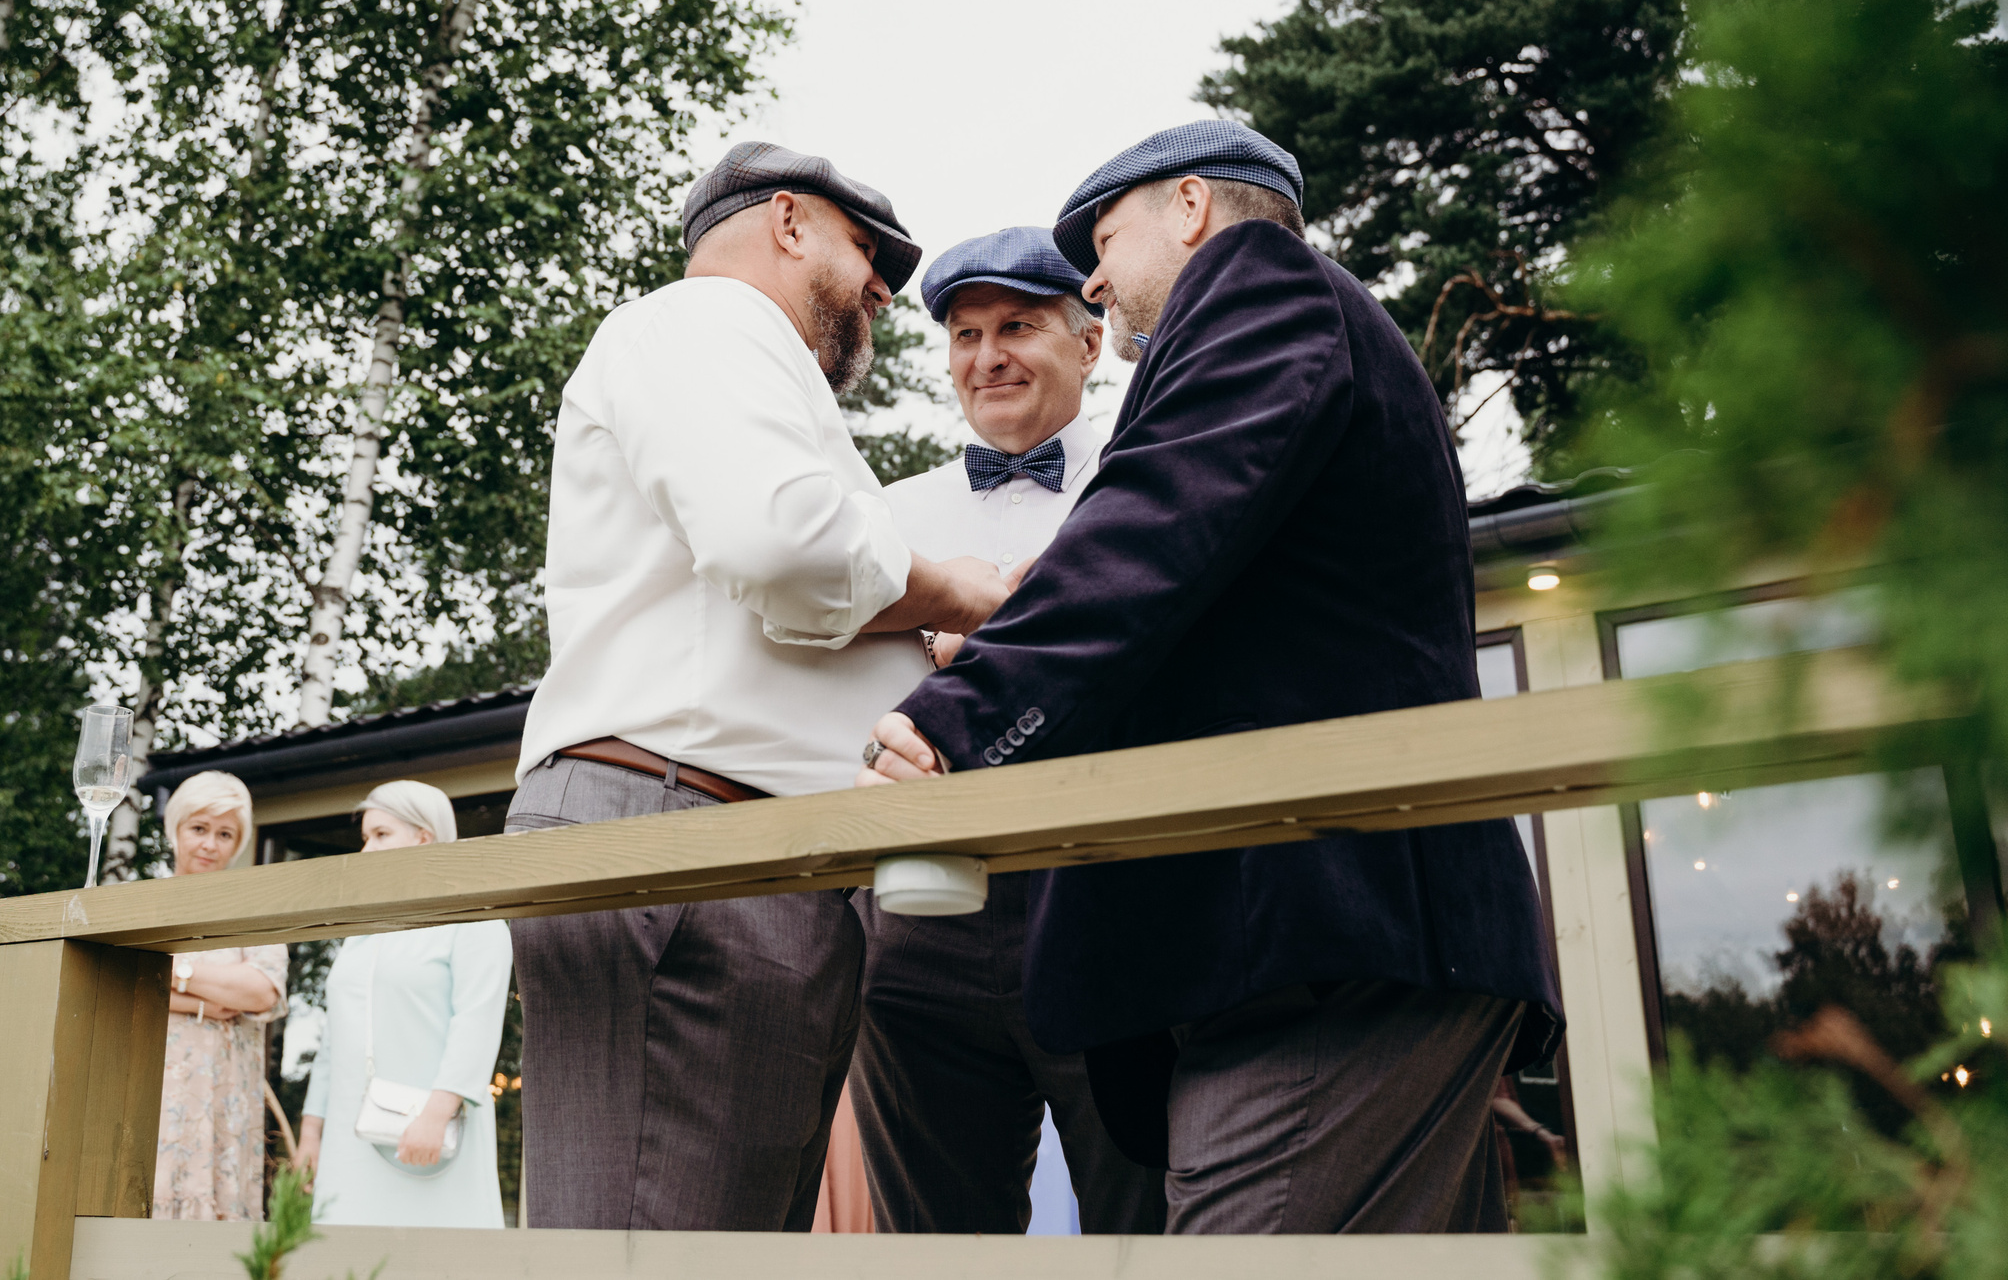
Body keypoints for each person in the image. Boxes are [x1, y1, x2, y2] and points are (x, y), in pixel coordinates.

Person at [859, 119, 1559, 1234]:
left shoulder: (1261, 286)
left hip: (1328, 937)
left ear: (1190, 208)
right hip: (1355, 936)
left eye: (1101, 240)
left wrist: (957, 716)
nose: (1091, 277)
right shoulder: (1305, 326)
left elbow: (1152, 525)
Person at [509, 141, 1013, 1231]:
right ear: (786, 222)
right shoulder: (708, 321)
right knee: (650, 1255)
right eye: (865, 258)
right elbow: (781, 544)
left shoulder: (725, 363)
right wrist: (950, 595)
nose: (879, 294)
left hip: (723, 851)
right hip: (686, 846)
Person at [845, 228, 1164, 1236]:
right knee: (931, 1241)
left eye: (1018, 325)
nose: (987, 357)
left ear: (1086, 339)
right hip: (918, 927)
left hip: (1109, 903)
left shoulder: (1152, 476)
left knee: (1144, 1223)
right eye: (966, 334)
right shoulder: (883, 517)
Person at [300, 781, 513, 1228]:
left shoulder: (474, 918)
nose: (366, 851)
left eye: (381, 835)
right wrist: (311, 1132)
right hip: (347, 1139)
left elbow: (477, 1021)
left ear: (424, 837)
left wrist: (436, 1116)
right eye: (365, 839)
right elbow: (335, 1038)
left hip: (430, 1133)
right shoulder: (362, 931)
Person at [151, 771, 290, 1221]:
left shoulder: (256, 906)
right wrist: (213, 1000)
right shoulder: (141, 902)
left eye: (225, 833)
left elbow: (261, 991)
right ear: (175, 829)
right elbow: (121, 986)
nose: (210, 844)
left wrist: (177, 972)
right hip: (152, 1084)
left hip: (225, 1096)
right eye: (199, 829)